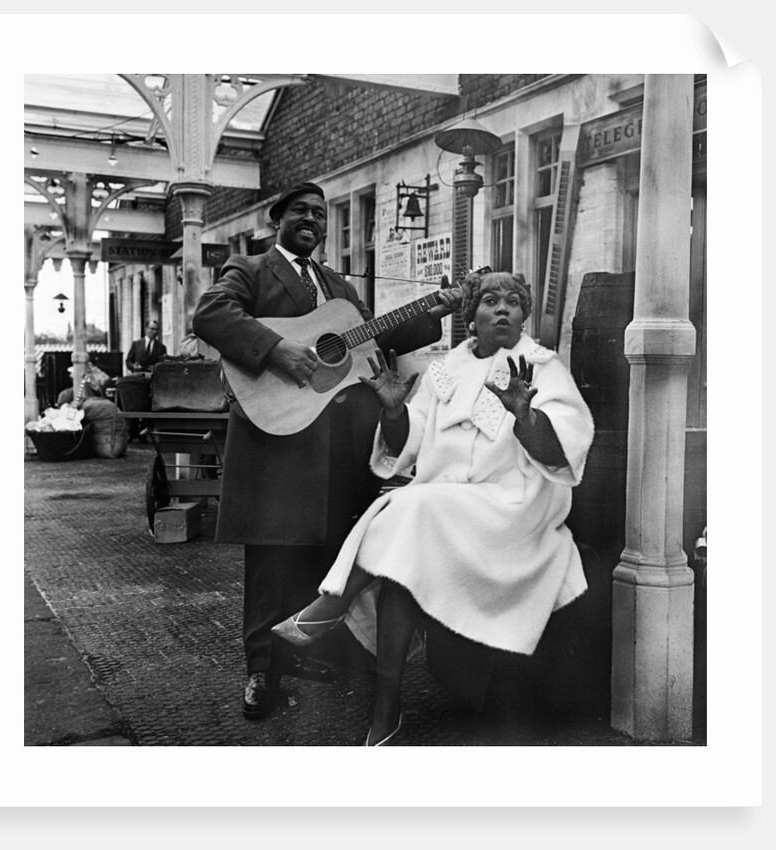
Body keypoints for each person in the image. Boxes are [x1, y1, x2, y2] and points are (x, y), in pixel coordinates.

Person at [271, 269, 595, 745]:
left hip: (511, 507)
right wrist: (395, 411)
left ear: (525, 316)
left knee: (412, 506)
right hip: (444, 505)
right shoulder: (444, 371)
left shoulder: (543, 367)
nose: (502, 308)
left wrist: (527, 418)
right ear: (472, 318)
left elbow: (566, 449)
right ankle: (387, 710)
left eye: (513, 302)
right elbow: (408, 443)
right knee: (403, 568)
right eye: (490, 301)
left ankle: (331, 605)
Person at [192, 181, 460, 719]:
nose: (312, 219)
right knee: (270, 558)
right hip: (276, 439)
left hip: (336, 442)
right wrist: (276, 349)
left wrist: (438, 309)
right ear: (278, 219)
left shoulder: (337, 286)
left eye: (320, 212)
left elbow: (372, 341)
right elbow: (211, 315)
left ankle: (301, 652)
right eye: (301, 211)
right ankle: (260, 670)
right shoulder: (249, 270)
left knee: (323, 552)